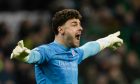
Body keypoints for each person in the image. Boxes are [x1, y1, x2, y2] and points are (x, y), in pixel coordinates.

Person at [10, 9, 123, 84]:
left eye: (80, 24)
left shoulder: (75, 54)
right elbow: (35, 55)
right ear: (61, 29)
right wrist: (25, 56)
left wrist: (109, 40)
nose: (80, 28)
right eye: (74, 24)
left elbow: (90, 47)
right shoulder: (47, 50)